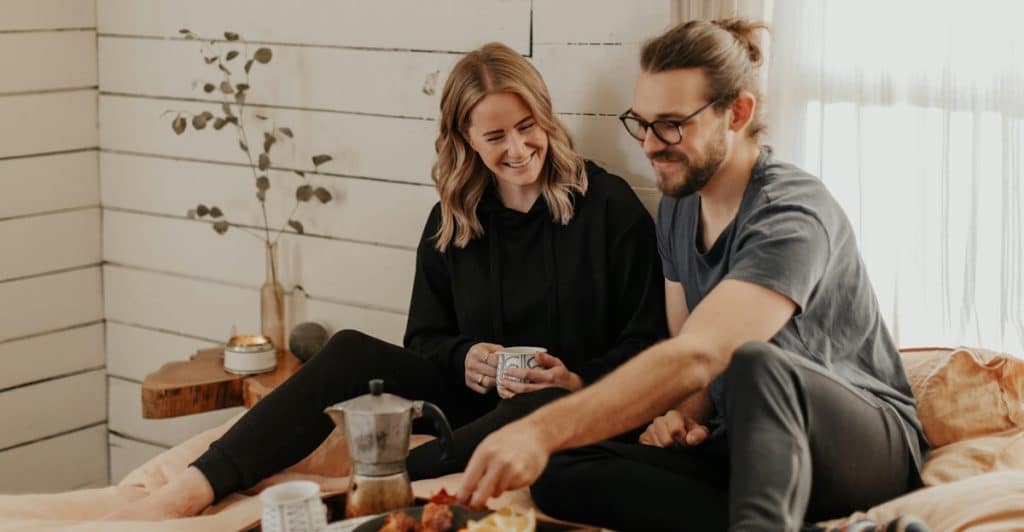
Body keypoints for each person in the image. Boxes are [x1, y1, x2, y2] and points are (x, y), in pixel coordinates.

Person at [106, 42, 666, 520]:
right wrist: (463, 356)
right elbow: (422, 340)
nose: (517, 149)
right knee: (349, 350)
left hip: (564, 408)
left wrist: (572, 381)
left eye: (527, 127)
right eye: (495, 136)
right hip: (469, 406)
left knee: (534, 406)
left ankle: (377, 484)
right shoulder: (455, 218)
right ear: (465, 139)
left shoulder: (610, 210)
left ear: (546, 118)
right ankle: (190, 488)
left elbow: (649, 348)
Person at [456, 19, 930, 531]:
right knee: (563, 471)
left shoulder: (791, 213)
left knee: (756, 364)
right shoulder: (678, 210)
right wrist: (686, 414)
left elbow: (703, 352)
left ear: (738, 113)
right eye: (642, 122)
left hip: (863, 449)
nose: (651, 145)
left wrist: (542, 428)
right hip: (749, 447)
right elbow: (686, 350)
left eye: (673, 124)